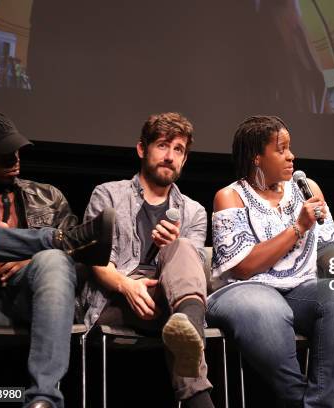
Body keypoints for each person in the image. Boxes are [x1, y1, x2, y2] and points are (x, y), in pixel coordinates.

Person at [207, 115, 334, 408]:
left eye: (290, 148)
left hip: (300, 289)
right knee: (267, 308)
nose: (291, 156)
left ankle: (318, 403)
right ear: (257, 157)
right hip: (245, 290)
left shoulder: (308, 190)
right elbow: (243, 266)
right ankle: (297, 400)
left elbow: (329, 247)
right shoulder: (230, 197)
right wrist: (298, 227)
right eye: (281, 149)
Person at [0, 108, 113, 408]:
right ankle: (52, 239)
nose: (14, 158)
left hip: (35, 302)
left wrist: (32, 260)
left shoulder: (48, 196)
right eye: (3, 153)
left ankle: (43, 400)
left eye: (16, 149)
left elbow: (81, 264)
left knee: (54, 260)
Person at [81, 112, 214, 407]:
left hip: (167, 299)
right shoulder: (108, 195)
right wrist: (129, 286)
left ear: (185, 159)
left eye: (178, 149)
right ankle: (191, 330)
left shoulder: (193, 211)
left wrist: (170, 248)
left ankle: (187, 326)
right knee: (183, 319)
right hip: (117, 299)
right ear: (143, 149)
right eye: (163, 146)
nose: (170, 156)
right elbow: (98, 262)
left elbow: (190, 272)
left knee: (181, 249)